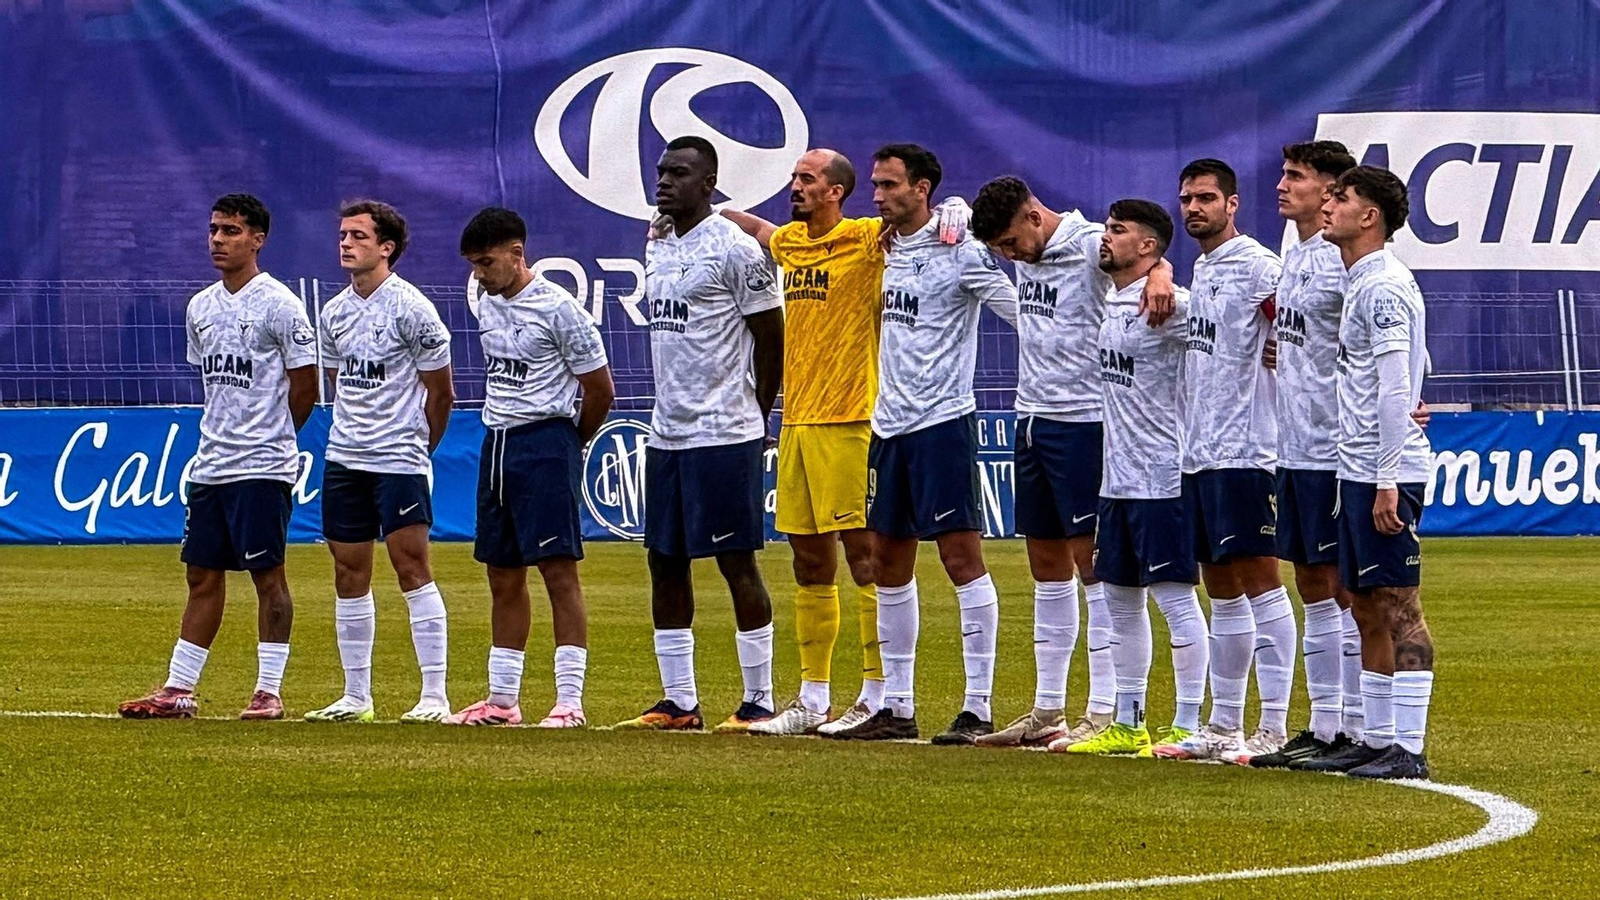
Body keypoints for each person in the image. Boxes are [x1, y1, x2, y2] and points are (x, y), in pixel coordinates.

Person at [966, 176, 1176, 749]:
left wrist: (1162, 272)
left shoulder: (1089, 244)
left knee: (1095, 571)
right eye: (1001, 250)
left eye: (1011, 243)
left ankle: (1104, 708)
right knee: (1045, 567)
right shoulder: (1024, 251)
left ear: (1035, 216)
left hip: (1085, 423)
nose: (1009, 257)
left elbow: (1151, 256)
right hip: (1030, 417)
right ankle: (1047, 708)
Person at [832, 143, 1018, 745]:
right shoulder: (881, 247)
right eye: (876, 186)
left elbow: (1019, 311)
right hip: (889, 426)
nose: (878, 196)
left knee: (961, 560)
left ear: (923, 187)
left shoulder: (960, 248)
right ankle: (899, 705)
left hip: (943, 423)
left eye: (889, 186)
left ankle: (978, 707)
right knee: (887, 562)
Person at [118, 194, 317, 720]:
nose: (217, 240)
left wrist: (273, 438)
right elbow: (213, 382)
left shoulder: (281, 305)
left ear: (258, 239)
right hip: (211, 464)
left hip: (262, 465)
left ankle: (268, 691)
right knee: (202, 575)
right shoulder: (200, 306)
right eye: (213, 230)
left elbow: (306, 387)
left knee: (267, 576)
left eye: (230, 231)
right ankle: (179, 689)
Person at [614, 137, 786, 733]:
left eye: (679, 173)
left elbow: (771, 338)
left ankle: (758, 700)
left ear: (708, 183)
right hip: (667, 434)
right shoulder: (658, 240)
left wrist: (755, 413)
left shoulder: (735, 250)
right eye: (661, 171)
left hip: (724, 433)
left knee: (736, 563)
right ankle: (678, 702)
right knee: (664, 562)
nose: (663, 181)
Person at [446, 208, 615, 727]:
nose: (480, 275)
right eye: (474, 265)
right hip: (496, 442)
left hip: (546, 441)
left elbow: (601, 390)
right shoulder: (484, 299)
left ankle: (569, 702)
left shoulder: (561, 310)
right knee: (501, 572)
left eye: (487, 263)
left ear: (517, 254)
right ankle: (502, 701)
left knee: (559, 574)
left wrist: (567, 444)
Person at [1153, 159, 1294, 764]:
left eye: (1206, 198)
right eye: (1186, 199)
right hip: (1201, 451)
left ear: (1232, 204)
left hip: (1247, 450)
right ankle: (1224, 726)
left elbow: (1302, 328)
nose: (1194, 208)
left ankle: (1277, 726)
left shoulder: (1261, 266)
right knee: (1222, 590)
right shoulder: (1202, 268)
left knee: (1262, 583)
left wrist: (1279, 347)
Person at [1301, 166, 1435, 780]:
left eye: (1342, 198)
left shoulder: (1382, 285)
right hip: (1354, 465)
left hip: (1386, 469)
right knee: (1361, 604)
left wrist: (1387, 477)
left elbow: (1393, 384)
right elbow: (1413, 365)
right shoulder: (1361, 282)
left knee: (1399, 606)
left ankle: (1408, 748)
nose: (1329, 206)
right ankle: (1376, 737)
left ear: (1370, 215)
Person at [1058, 200, 1205, 757]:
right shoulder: (1114, 300)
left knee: (1175, 601)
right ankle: (1129, 720)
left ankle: (1188, 724)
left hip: (1164, 476)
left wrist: (1166, 275)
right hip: (1116, 481)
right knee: (1118, 599)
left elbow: (1245, 332)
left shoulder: (1174, 305)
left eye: (1117, 231)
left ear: (1148, 246)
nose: (1105, 237)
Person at [302, 200, 456, 725]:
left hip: (399, 459)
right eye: (343, 235)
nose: (345, 243)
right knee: (348, 572)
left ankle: (434, 695)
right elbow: (335, 381)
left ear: (386, 248)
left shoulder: (414, 309)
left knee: (411, 567)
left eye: (358, 236)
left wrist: (416, 448)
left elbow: (442, 394)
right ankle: (356, 696)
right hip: (346, 457)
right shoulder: (334, 311)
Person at [1246, 142, 1367, 766]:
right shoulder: (1292, 252)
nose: (1282, 185)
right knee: (1312, 585)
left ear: (1331, 191)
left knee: (1347, 589)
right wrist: (1284, 355)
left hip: (1335, 447)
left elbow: (1381, 335)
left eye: (1296, 177)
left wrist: (1409, 397)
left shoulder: (1346, 258)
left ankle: (1353, 726)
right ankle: (1321, 728)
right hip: (1291, 445)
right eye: (1284, 173)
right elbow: (1302, 335)